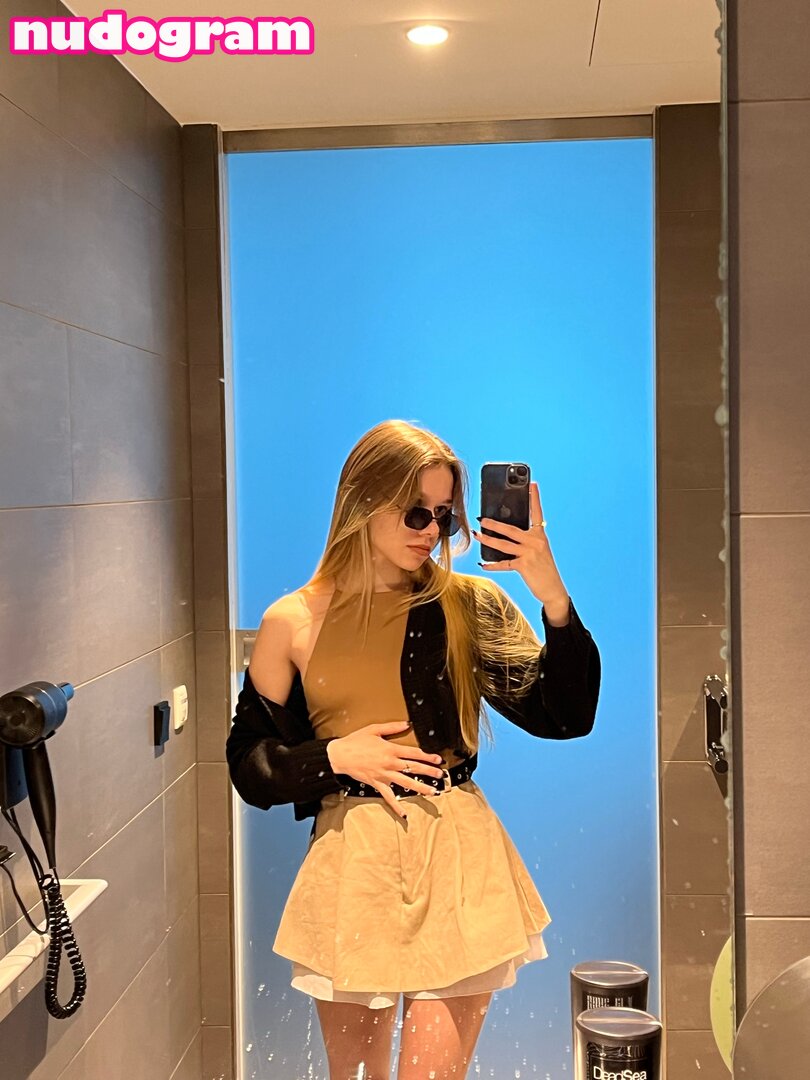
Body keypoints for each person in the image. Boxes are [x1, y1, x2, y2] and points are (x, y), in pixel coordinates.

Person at [226, 419, 601, 1080]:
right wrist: (333, 758)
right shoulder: (293, 621)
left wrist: (552, 598)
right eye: (416, 512)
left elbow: (565, 716)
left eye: (445, 516)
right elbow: (249, 765)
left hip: (455, 851)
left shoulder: (468, 605)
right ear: (362, 501)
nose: (431, 531)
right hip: (353, 860)